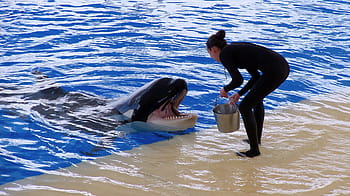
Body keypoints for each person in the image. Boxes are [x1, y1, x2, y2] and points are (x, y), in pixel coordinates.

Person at [206, 30, 290, 158]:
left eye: (209, 53)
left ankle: (254, 150)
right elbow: (255, 76)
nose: (211, 57)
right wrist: (239, 93)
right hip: (282, 66)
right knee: (256, 101)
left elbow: (238, 80)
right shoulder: (235, 51)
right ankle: (256, 141)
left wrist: (225, 89)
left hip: (275, 70)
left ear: (214, 49)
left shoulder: (225, 54)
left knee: (245, 107)